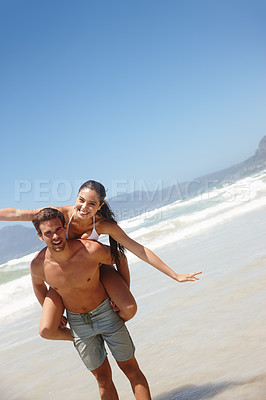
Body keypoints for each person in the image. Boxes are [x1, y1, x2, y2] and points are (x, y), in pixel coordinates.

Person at [0, 180, 202, 335]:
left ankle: (110, 329)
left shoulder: (104, 225)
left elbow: (138, 249)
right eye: (81, 200)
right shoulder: (60, 214)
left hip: (95, 269)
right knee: (47, 329)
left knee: (129, 309)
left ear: (100, 205)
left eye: (91, 204)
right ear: (76, 197)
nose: (83, 207)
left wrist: (175, 275)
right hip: (64, 273)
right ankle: (81, 336)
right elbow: (18, 213)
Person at [31, 207, 151, 400]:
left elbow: (120, 257)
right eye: (48, 233)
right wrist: (56, 313)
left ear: (65, 228)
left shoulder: (89, 250)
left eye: (58, 229)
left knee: (131, 370)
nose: (55, 236)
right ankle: (77, 338)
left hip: (106, 313)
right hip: (78, 325)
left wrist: (121, 292)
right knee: (102, 379)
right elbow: (37, 285)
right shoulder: (38, 265)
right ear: (40, 236)